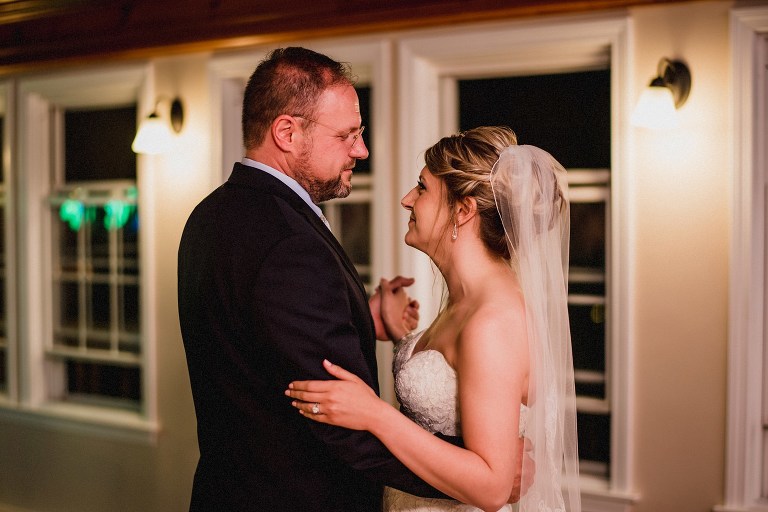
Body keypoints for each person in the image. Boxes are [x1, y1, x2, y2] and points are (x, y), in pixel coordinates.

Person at [177, 46, 483, 512]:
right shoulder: (287, 242)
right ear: (287, 133)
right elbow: (339, 422)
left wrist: (361, 319)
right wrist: (475, 478)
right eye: (347, 135)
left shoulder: (210, 214)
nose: (361, 150)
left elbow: (254, 339)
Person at [286, 126, 582, 512]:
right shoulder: (468, 299)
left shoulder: (494, 320)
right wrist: (398, 334)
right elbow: (453, 388)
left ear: (463, 210)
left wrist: (374, 414)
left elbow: (492, 488)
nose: (407, 200)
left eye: (422, 187)